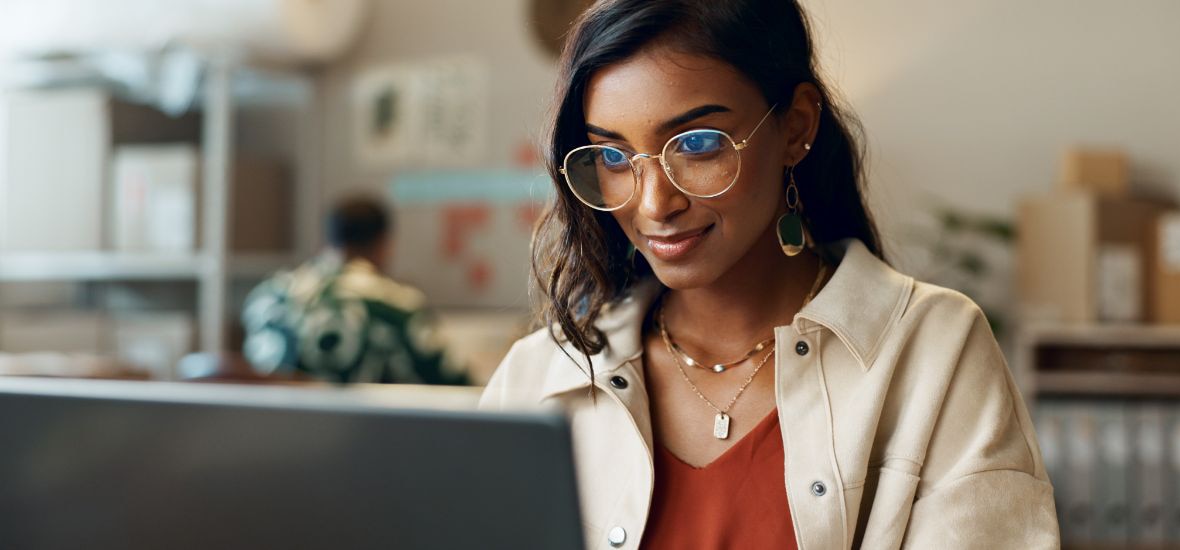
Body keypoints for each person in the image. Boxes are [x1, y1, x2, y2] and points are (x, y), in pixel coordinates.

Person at [480, 0, 1059, 548]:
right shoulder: (541, 376)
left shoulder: (934, 349)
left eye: (698, 144)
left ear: (796, 127)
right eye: (612, 157)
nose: (654, 204)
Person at [242, 195, 469, 386]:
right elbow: (456, 386)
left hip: (272, 434)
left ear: (328, 240)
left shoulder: (269, 297)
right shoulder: (398, 305)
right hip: (367, 435)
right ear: (384, 244)